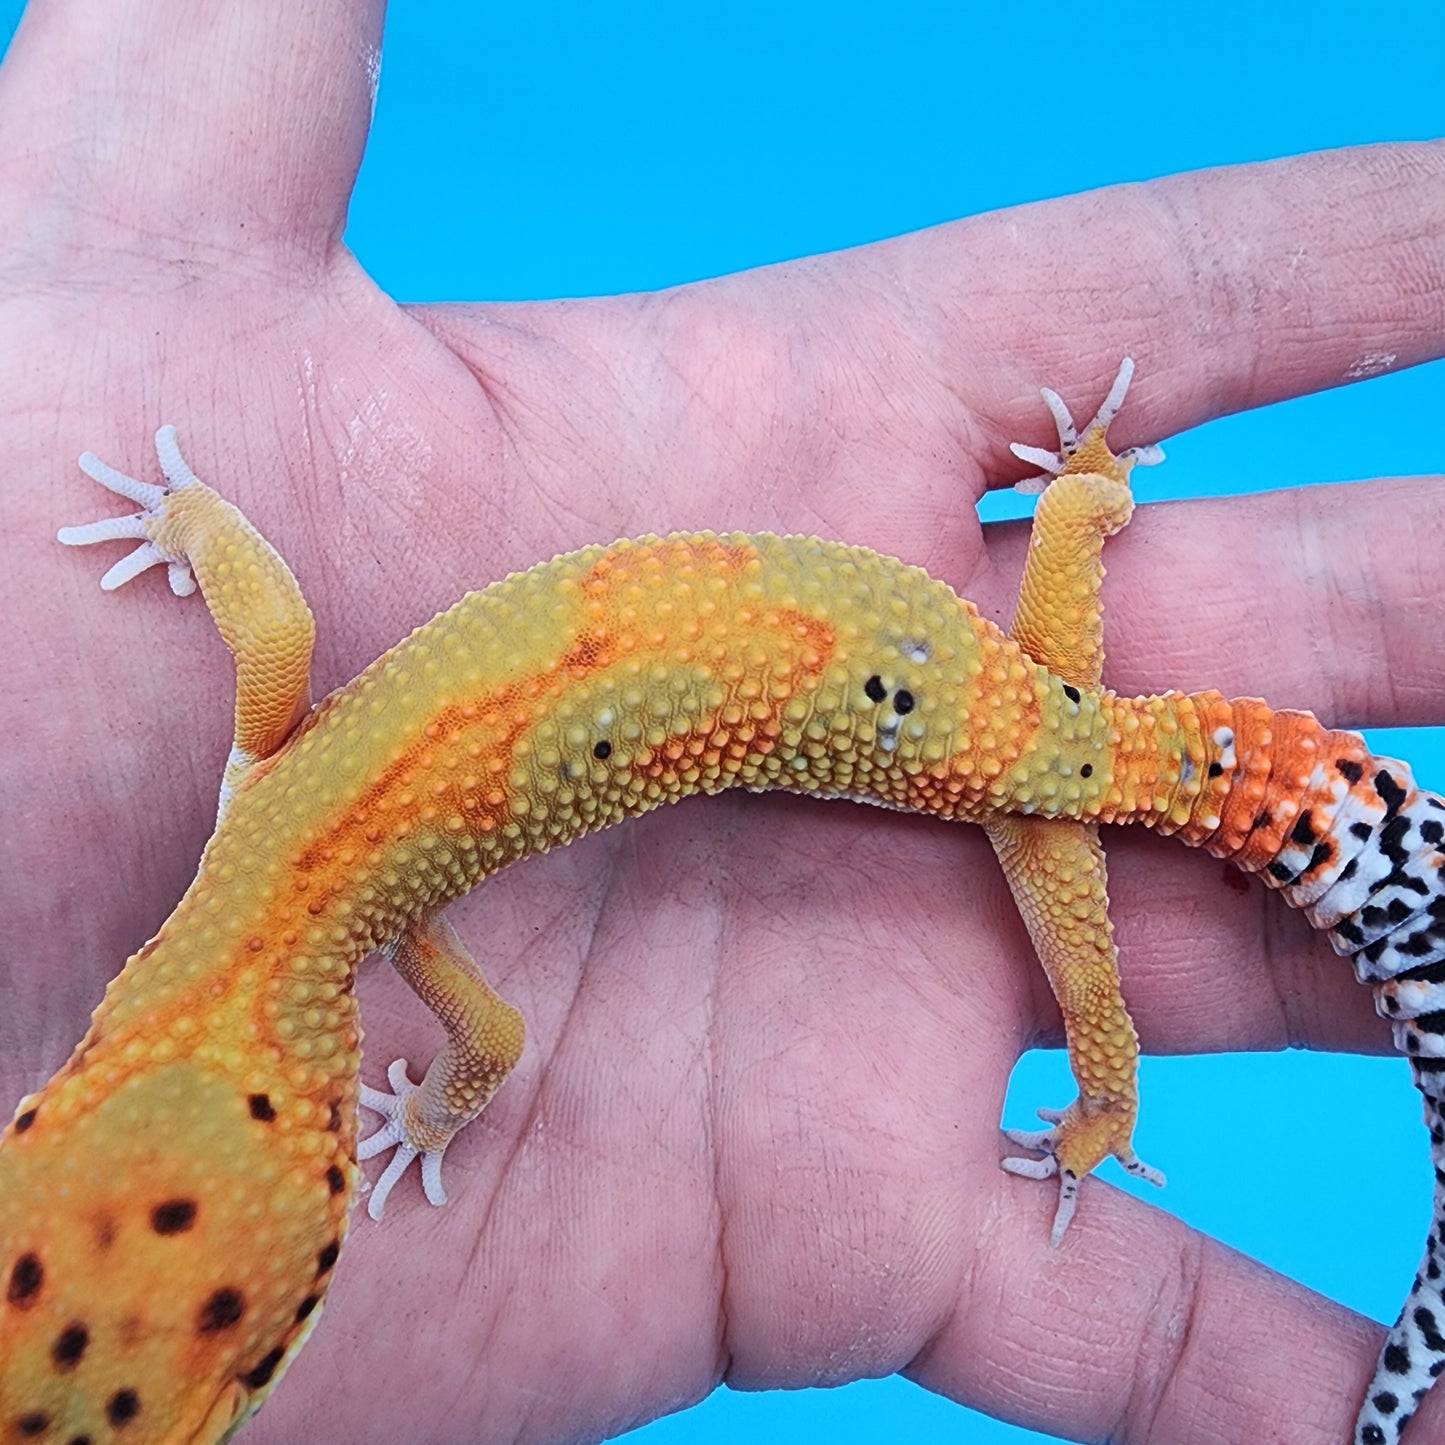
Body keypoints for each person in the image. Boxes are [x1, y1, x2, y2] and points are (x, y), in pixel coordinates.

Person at [1, 4, 1442, 1441]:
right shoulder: (274, 787)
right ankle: (1095, 515)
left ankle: (1108, 1106)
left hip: (1024, 753)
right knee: (1075, 827)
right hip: (992, 699)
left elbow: (486, 1042)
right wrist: (189, 511)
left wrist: (440, 1113)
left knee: (1085, 958)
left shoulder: (372, 910)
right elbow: (276, 628)